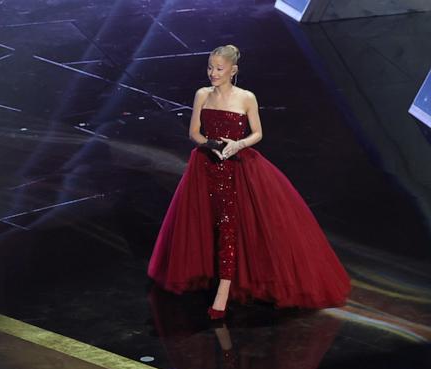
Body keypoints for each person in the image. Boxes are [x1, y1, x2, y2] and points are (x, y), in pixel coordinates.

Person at [147, 44, 350, 318]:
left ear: (233, 70)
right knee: (205, 223)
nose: (213, 73)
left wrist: (237, 145)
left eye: (219, 69)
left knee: (231, 225)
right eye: (210, 67)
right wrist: (212, 144)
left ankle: (223, 292)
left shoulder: (246, 98)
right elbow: (194, 132)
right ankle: (211, 276)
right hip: (206, 165)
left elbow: (258, 134)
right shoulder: (202, 94)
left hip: (237, 168)